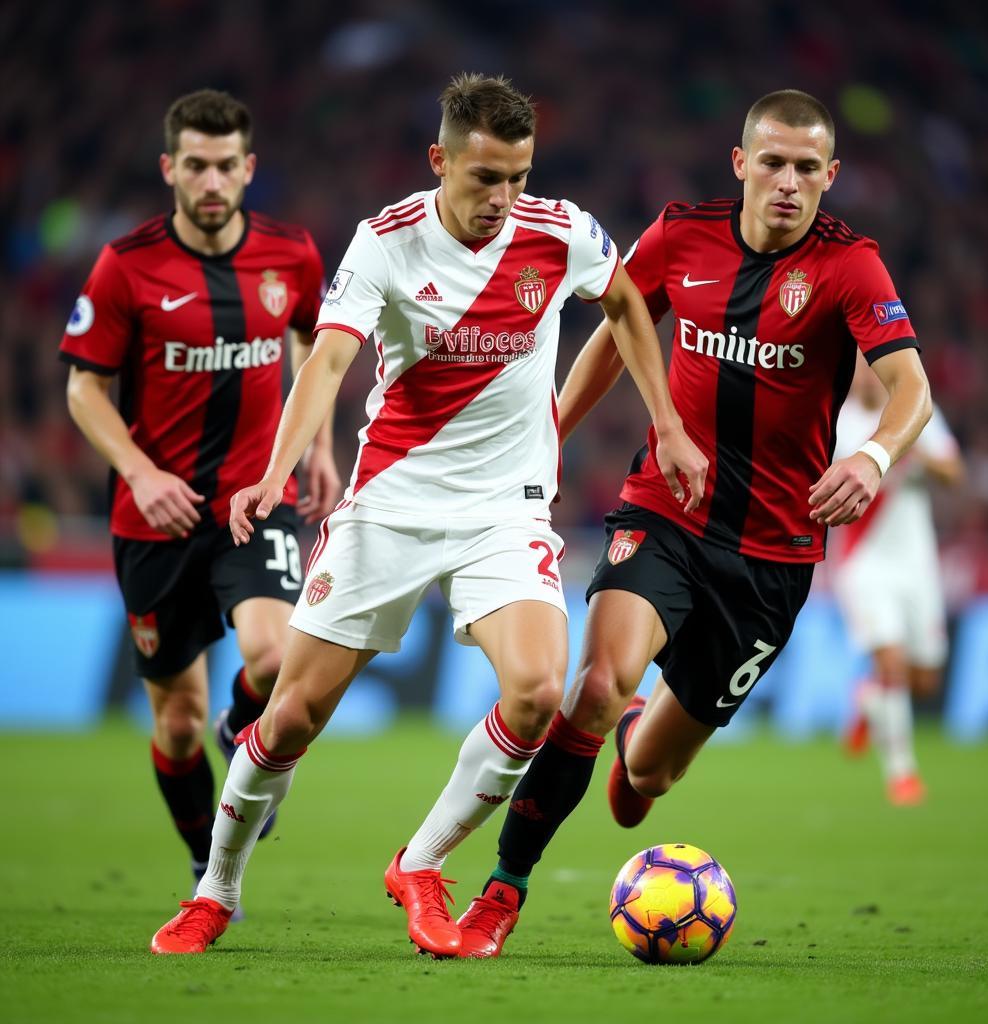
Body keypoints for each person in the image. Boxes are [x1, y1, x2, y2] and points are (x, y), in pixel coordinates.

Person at [149, 73, 705, 956]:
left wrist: (667, 425)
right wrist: (274, 473)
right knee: (289, 717)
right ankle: (214, 889)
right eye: (486, 177)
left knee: (533, 695)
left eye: (519, 176)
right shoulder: (387, 244)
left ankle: (420, 863)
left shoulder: (560, 234)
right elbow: (329, 363)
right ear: (440, 160)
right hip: (392, 505)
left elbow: (629, 303)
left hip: (505, 507)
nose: (504, 199)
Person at [455, 88, 934, 958]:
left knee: (647, 776)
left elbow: (912, 389)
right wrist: (549, 435)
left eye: (806, 168)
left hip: (772, 559)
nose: (787, 182)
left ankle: (641, 742)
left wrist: (872, 457)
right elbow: (613, 329)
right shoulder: (682, 234)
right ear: (741, 163)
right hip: (664, 513)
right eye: (773, 162)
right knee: (593, 688)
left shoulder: (850, 265)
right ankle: (501, 890)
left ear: (831, 176)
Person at [59, 89, 339, 907]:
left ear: (249, 168)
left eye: (226, 166)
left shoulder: (291, 254)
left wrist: (317, 447)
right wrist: (141, 474)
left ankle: (242, 729)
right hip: (154, 519)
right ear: (169, 170)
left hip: (255, 499)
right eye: (195, 165)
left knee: (278, 657)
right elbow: (84, 388)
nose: (211, 181)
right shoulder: (127, 264)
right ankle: (202, 859)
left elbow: (317, 347)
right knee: (175, 724)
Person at [831, 356, 963, 805]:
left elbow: (954, 473)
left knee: (924, 678)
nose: (867, 375)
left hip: (917, 564)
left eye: (872, 366)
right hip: (863, 563)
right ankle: (902, 773)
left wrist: (912, 449)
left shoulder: (914, 411)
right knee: (890, 660)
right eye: (858, 368)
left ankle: (869, 699)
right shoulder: (837, 421)